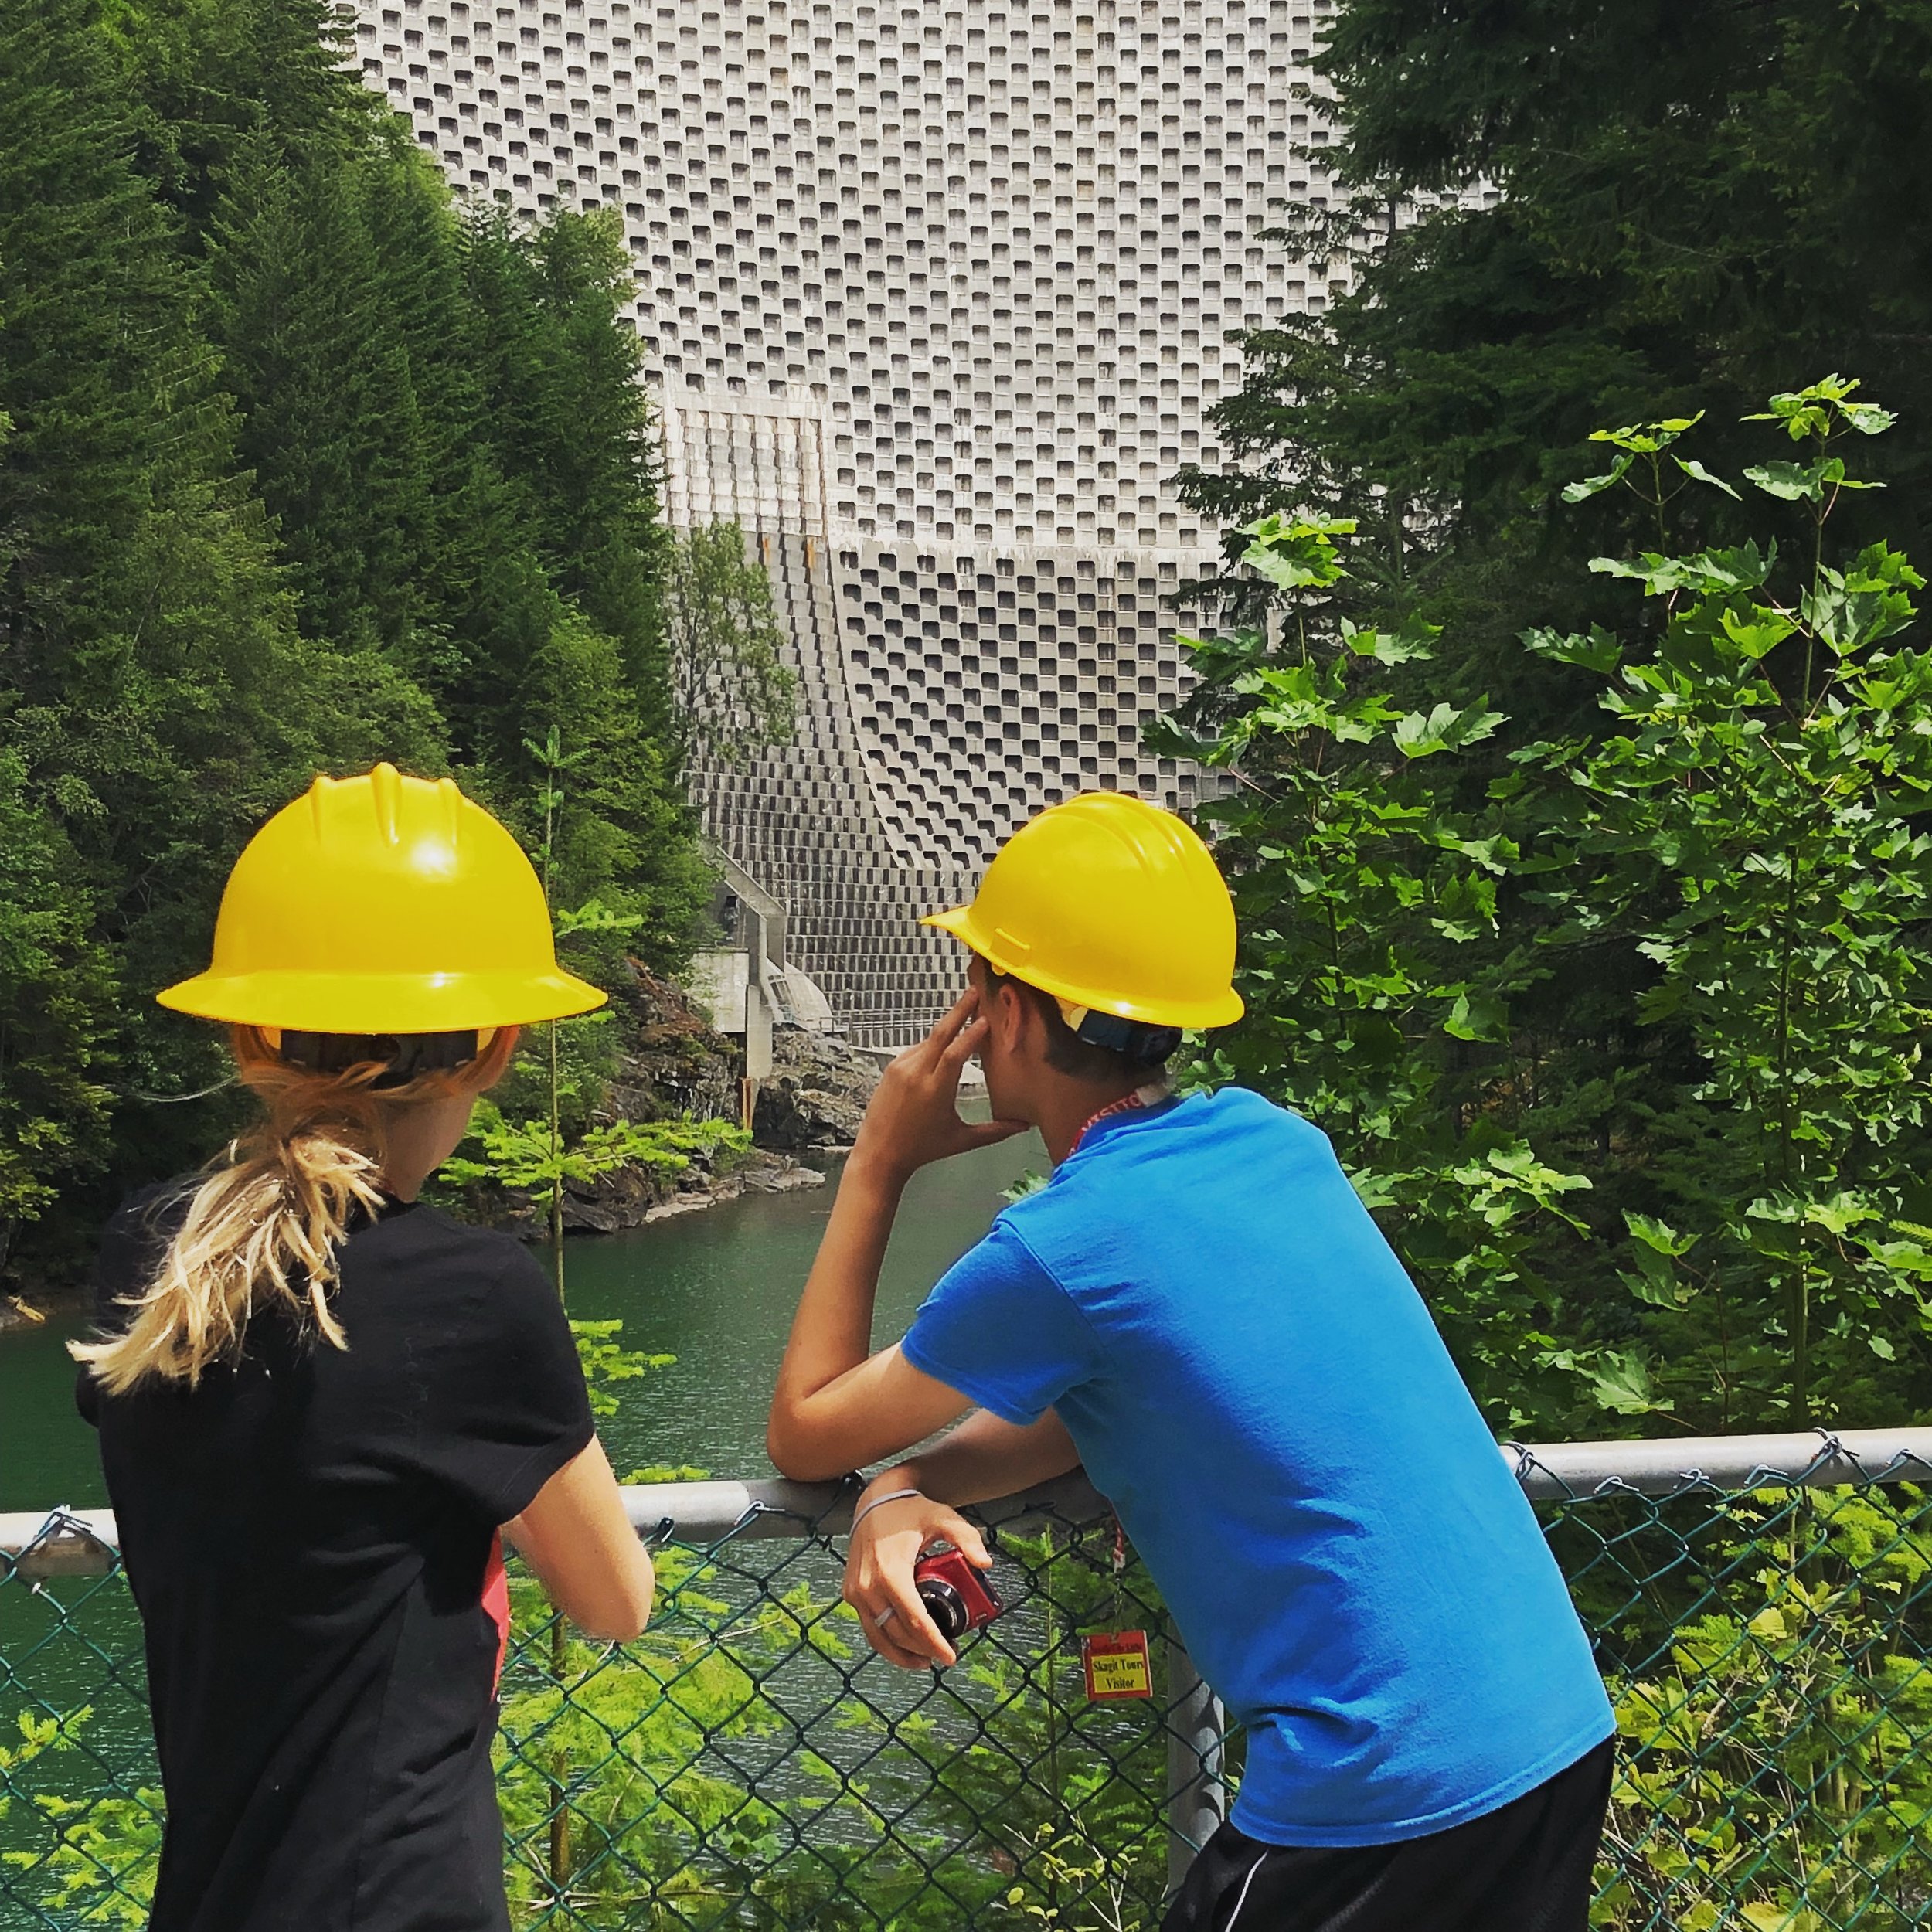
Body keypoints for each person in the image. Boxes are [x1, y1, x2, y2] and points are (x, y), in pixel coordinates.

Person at [767, 790, 1615, 1932]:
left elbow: (806, 1427)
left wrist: (878, 1161)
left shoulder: (1064, 1244)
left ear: (1009, 1017)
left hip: (1382, 1784)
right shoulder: (1276, 1144)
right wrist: (910, 1485)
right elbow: (1133, 1396)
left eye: (977, 982)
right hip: (1549, 1730)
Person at [73, 763, 656, 1932]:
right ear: (495, 1049)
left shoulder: (150, 1262)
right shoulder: (472, 1293)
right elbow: (612, 1600)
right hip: (399, 1896)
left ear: (247, 1033)